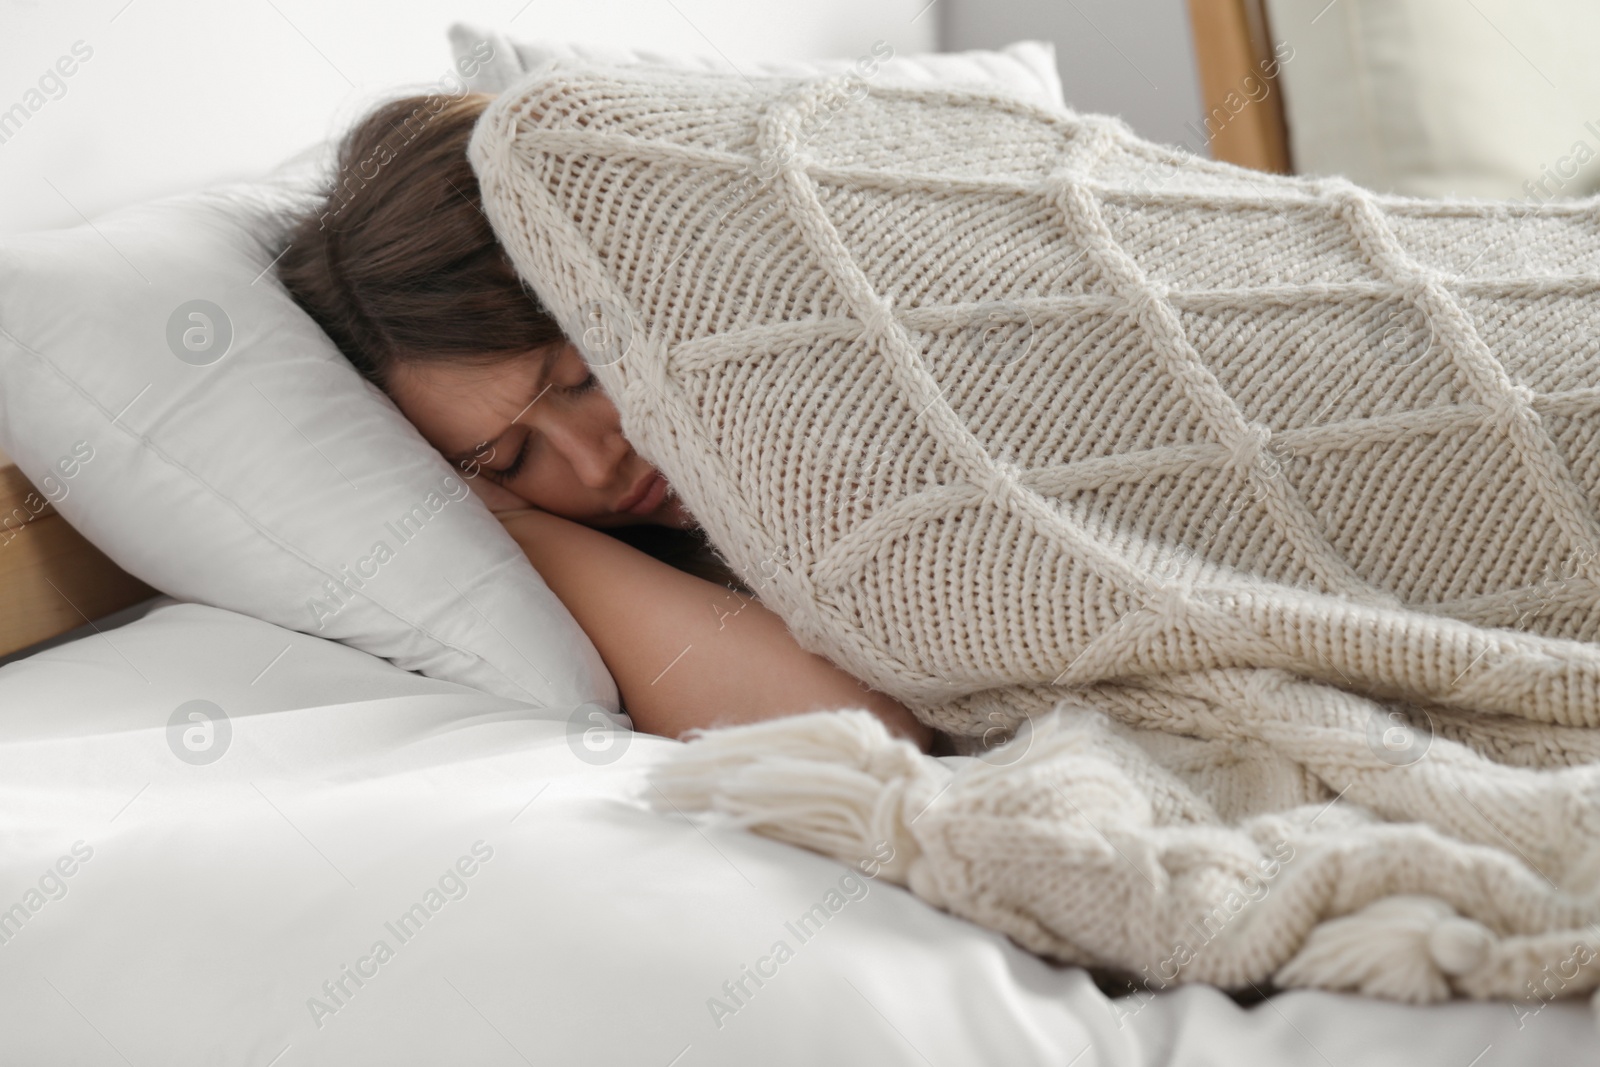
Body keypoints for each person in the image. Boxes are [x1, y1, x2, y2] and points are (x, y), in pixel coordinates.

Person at [276, 90, 931, 752]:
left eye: (584, 377)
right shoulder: (625, 567)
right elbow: (858, 741)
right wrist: (505, 525)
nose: (595, 462)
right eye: (510, 460)